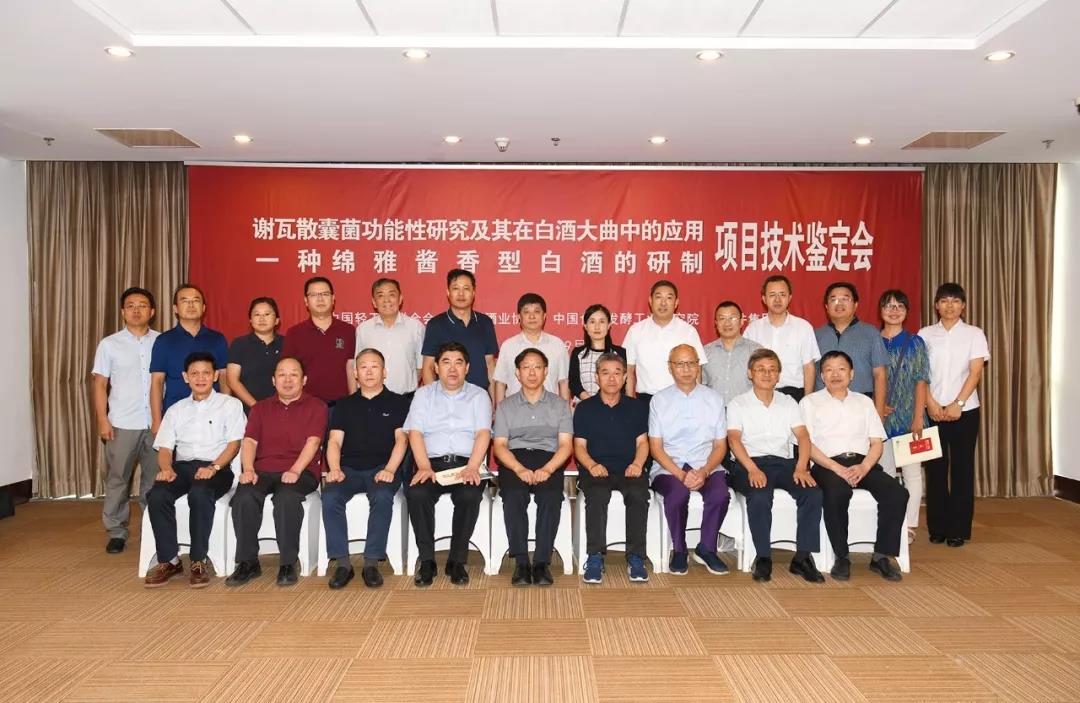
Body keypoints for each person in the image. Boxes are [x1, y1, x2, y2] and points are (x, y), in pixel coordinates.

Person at [800, 351, 908, 581]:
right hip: (827, 464)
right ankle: (842, 556)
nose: (835, 374)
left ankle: (881, 556)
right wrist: (836, 468)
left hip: (862, 463)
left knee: (897, 493)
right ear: (821, 376)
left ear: (852, 374)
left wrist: (864, 467)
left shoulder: (864, 402)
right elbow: (806, 443)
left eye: (841, 369)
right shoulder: (809, 402)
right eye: (829, 369)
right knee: (837, 492)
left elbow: (876, 442)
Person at [144, 352, 245, 588]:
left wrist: (214, 467)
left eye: (206, 373)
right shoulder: (176, 409)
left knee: (200, 493)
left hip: (218, 467)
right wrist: (166, 469)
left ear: (215, 375)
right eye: (195, 373)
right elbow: (165, 448)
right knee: (157, 494)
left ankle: (199, 560)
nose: (201, 378)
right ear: (185, 377)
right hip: (183, 467)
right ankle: (169, 560)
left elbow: (234, 444)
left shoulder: (230, 405)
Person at [226, 357, 328, 587]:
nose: (287, 380)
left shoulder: (317, 406)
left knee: (287, 497)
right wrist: (248, 469)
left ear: (304, 380)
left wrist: (295, 470)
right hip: (263, 469)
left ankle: (287, 563)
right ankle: (248, 562)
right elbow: (249, 441)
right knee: (244, 495)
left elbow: (313, 442)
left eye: (294, 374)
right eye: (282, 374)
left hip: (301, 470)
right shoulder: (260, 408)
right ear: (273, 380)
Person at [726, 349, 824, 583]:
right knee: (760, 495)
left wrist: (802, 467)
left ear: (779, 375)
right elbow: (734, 440)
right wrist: (752, 469)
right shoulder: (738, 403)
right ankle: (763, 557)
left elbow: (803, 437)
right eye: (760, 369)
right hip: (749, 463)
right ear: (750, 373)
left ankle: (802, 558)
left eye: (772, 370)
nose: (767, 374)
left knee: (813, 493)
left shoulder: (788, 402)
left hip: (784, 463)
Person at [404, 342, 493, 587]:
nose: (452, 368)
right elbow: (415, 433)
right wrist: (423, 467)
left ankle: (457, 560)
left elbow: (483, 433)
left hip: (467, 463)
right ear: (435, 367)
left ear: (467, 368)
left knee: (469, 495)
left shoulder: (479, 395)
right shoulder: (423, 394)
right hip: (431, 464)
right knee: (418, 494)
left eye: (458, 363)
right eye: (446, 362)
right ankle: (427, 560)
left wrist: (473, 467)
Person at [321, 349, 411, 589]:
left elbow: (402, 440)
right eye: (363, 367)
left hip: (383, 468)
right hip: (349, 468)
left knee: (381, 495)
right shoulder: (344, 405)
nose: (369, 372)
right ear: (355, 373)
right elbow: (334, 441)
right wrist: (335, 468)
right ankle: (343, 564)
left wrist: (390, 469)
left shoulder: (399, 403)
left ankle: (371, 562)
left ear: (384, 372)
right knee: (330, 496)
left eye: (375, 366)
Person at [647, 344, 731, 575]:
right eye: (680, 364)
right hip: (669, 466)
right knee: (677, 495)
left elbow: (720, 446)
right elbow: (656, 448)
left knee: (720, 495)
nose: (686, 369)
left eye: (691, 363)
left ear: (698, 366)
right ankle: (680, 549)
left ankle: (706, 548)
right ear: (670, 367)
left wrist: (704, 471)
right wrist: (681, 474)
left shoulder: (714, 399)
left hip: (706, 463)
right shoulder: (659, 400)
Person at [493, 348, 573, 586]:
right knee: (514, 496)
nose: (532, 372)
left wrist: (548, 469)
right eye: (526, 367)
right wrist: (519, 469)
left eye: (537, 367)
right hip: (514, 459)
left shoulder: (560, 405)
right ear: (517, 373)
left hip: (549, 458)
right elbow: (500, 446)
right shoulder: (505, 406)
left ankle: (541, 562)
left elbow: (565, 445)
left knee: (550, 497)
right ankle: (521, 562)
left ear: (546, 371)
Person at [918, 282, 990, 548]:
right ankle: (937, 527)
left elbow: (975, 372)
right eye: (944, 301)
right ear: (936, 305)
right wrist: (930, 403)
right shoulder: (925, 334)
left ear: (963, 306)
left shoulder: (974, 334)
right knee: (935, 470)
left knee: (962, 469)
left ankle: (958, 529)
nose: (950, 306)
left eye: (955, 301)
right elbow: (920, 373)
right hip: (933, 410)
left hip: (965, 411)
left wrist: (958, 403)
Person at [92, 286, 161, 554]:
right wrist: (103, 419)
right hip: (121, 422)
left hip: (157, 423)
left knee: (154, 481)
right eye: (130, 305)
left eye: (142, 305)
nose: (136, 310)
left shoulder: (162, 342)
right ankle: (116, 531)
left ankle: (153, 530)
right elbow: (100, 385)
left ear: (152, 311)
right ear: (123, 311)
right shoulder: (109, 344)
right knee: (118, 479)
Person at [573, 352, 651, 584]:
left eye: (617, 373)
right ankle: (595, 556)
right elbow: (579, 446)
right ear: (596, 377)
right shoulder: (585, 408)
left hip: (629, 468)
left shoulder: (637, 407)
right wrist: (591, 465)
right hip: (596, 469)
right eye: (605, 373)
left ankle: (636, 557)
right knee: (597, 495)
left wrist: (638, 464)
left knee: (638, 494)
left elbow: (643, 443)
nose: (611, 378)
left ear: (625, 377)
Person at [877, 290, 930, 544]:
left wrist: (918, 417)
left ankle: (909, 525)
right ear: (880, 311)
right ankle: (890, 522)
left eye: (899, 306)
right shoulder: (873, 340)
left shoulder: (915, 342)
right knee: (885, 473)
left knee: (912, 474)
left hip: (910, 419)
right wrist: (877, 407)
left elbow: (921, 381)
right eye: (889, 306)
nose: (894, 310)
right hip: (880, 420)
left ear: (906, 312)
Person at [149, 283, 229, 434]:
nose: (191, 305)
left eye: (196, 300)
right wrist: (157, 420)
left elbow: (225, 378)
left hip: (213, 416)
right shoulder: (163, 341)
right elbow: (157, 383)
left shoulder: (217, 339)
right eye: (185, 301)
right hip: (176, 417)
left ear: (203, 308)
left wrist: (226, 411)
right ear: (175, 308)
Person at [624, 280, 707, 404]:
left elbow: (697, 370)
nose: (663, 303)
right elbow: (629, 370)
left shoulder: (688, 331)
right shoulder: (635, 330)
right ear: (650, 301)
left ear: (676, 303)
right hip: (645, 400)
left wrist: (695, 401)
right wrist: (629, 403)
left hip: (679, 399)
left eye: (669, 298)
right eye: (658, 297)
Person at [814, 282, 889, 417]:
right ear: (826, 306)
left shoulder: (870, 333)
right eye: (833, 299)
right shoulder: (815, 335)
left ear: (855, 305)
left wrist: (878, 413)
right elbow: (810, 373)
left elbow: (880, 374)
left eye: (845, 299)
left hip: (861, 407)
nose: (839, 303)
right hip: (823, 408)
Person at [420, 269, 498, 395]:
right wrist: (435, 399)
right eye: (456, 288)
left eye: (466, 288)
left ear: (473, 292)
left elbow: (490, 365)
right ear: (448, 292)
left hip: (480, 397)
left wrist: (493, 402)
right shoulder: (435, 325)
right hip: (447, 397)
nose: (461, 294)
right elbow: (428, 367)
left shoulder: (485, 323)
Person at [281, 276, 356, 405]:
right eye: (314, 295)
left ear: (333, 298)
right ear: (306, 301)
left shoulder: (347, 331)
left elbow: (351, 368)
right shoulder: (294, 333)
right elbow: (289, 370)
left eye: (325, 294)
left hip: (341, 406)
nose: (320, 299)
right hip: (306, 406)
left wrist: (353, 401)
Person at [744, 275, 819, 401]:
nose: (777, 299)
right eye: (772, 295)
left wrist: (807, 402)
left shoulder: (803, 327)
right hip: (760, 394)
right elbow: (747, 366)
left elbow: (809, 368)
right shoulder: (753, 329)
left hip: (794, 394)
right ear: (764, 299)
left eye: (782, 294)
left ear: (789, 298)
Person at [493, 293, 571, 403]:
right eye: (526, 312)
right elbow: (500, 383)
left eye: (536, 311)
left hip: (550, 409)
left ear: (544, 316)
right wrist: (500, 411)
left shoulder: (557, 345)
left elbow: (564, 382)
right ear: (519, 317)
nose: (532, 316)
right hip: (515, 410)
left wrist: (564, 411)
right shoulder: (508, 346)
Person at [355, 278, 425, 398]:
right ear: (374, 302)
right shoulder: (363, 329)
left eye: (391, 294)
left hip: (405, 398)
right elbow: (359, 366)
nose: (386, 300)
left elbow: (420, 367)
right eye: (380, 295)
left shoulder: (416, 327)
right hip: (371, 398)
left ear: (400, 299)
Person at [226, 296, 284, 413]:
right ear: (250, 320)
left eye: (267, 314)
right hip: (248, 411)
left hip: (282, 409)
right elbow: (232, 380)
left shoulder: (287, 343)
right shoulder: (239, 344)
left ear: (277, 320)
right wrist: (256, 407)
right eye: (257, 314)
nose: (262, 319)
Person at [702, 300, 762, 406]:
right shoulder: (706, 351)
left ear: (741, 321)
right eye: (722, 318)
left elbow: (762, 384)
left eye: (732, 318)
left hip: (746, 411)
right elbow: (701, 386)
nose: (727, 323)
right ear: (716, 323)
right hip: (715, 412)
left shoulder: (755, 350)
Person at [568, 303, 626, 401]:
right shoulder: (578, 353)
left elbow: (622, 384)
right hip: (584, 405)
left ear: (609, 325)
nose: (597, 327)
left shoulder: (619, 353)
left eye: (602, 322)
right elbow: (574, 383)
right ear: (585, 326)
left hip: (612, 404)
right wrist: (591, 402)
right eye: (592, 322)